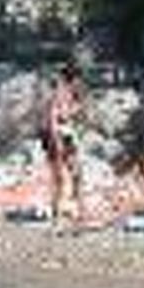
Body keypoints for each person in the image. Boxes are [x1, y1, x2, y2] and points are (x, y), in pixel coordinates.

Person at [40, 61, 85, 221]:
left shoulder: (74, 94)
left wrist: (77, 109)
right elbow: (52, 119)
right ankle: (57, 211)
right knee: (59, 177)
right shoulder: (59, 93)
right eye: (79, 80)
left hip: (65, 134)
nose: (80, 83)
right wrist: (56, 141)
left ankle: (79, 209)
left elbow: (71, 116)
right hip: (55, 135)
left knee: (77, 173)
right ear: (73, 79)